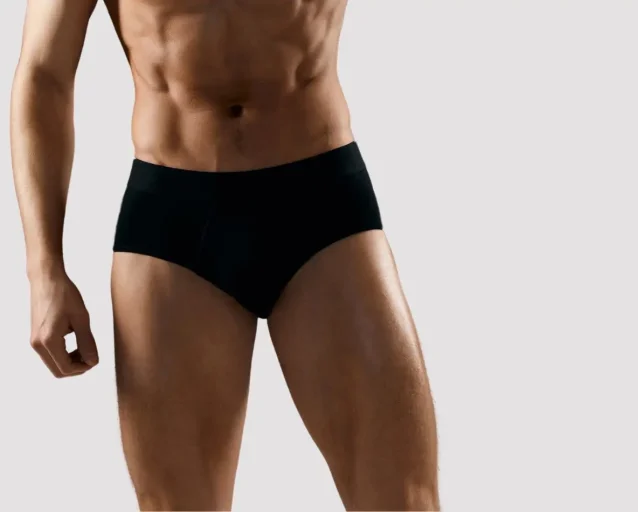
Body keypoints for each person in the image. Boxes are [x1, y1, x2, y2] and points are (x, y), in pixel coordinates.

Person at [10, 1, 439, 510]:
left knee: (404, 501)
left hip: (323, 204)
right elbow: (44, 73)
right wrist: (44, 271)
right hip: (173, 222)